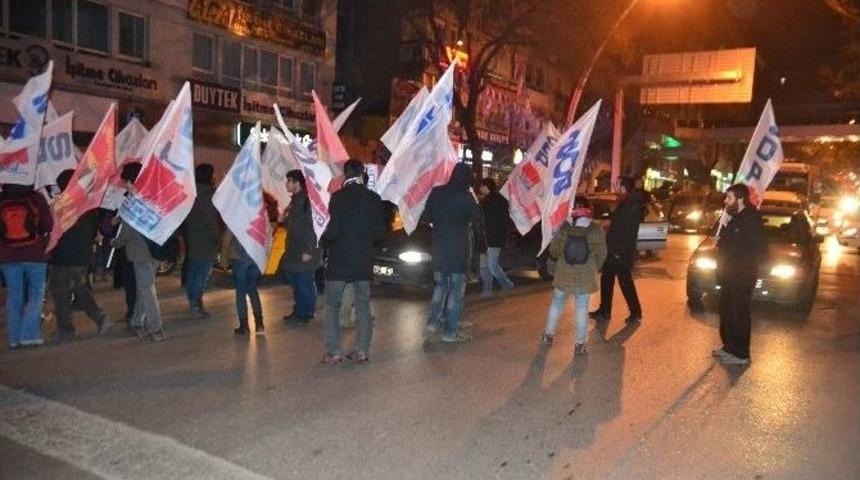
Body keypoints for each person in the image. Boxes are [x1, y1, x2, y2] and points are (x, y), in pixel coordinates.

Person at [319, 160, 385, 364]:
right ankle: (362, 351)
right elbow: (380, 233)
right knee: (363, 306)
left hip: (339, 261)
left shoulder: (338, 198)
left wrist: (323, 237)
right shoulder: (374, 198)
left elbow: (334, 231)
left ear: (344, 175)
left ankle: (334, 352)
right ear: (362, 173)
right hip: (362, 262)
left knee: (332, 306)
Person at [48, 170, 111, 341]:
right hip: (81, 257)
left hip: (60, 257)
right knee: (81, 291)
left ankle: (66, 330)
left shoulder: (57, 206)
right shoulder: (86, 206)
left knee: (60, 295)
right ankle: (100, 318)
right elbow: (92, 231)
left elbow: (50, 231)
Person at [422, 163, 481, 344]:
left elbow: (426, 218)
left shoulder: (437, 192)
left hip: (439, 249)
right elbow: (476, 220)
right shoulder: (466, 197)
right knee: (456, 293)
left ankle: (432, 323)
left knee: (440, 289)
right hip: (458, 252)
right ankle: (450, 332)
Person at [541, 197, 607, 356]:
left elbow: (554, 251)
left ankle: (548, 336)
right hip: (584, 277)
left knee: (556, 305)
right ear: (588, 208)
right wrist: (593, 268)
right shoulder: (595, 228)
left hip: (563, 274)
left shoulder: (564, 226)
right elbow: (602, 254)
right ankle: (580, 345)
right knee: (582, 310)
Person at [713, 184, 767, 365]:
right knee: (726, 312)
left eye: (729, 198)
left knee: (739, 314)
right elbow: (730, 242)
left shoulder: (751, 219)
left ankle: (741, 354)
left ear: (740, 199)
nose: (725, 201)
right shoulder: (734, 217)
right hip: (728, 275)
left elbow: (759, 249)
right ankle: (729, 347)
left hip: (741, 277)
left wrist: (735, 255)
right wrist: (720, 242)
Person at [111, 163, 165, 342]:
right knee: (145, 289)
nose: (124, 185)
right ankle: (135, 322)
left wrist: (114, 242)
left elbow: (128, 232)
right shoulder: (150, 196)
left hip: (141, 253)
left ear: (130, 181)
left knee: (147, 291)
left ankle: (156, 329)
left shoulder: (135, 201)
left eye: (125, 181)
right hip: (154, 250)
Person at [0, 183, 53, 348]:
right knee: (36, 294)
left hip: (7, 255)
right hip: (34, 253)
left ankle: (14, 338)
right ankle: (29, 335)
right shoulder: (36, 198)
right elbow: (47, 225)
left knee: (14, 295)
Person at [590, 176, 644, 324]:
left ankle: (635, 312)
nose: (615, 186)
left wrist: (619, 252)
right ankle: (604, 310)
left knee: (625, 282)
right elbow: (618, 226)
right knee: (606, 279)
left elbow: (628, 231)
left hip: (620, 252)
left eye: (618, 184)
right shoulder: (625, 202)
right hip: (614, 249)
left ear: (623, 187)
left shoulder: (631, 203)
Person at [282, 170, 320, 324]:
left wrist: (310, 250)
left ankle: (306, 313)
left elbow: (313, 227)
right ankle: (299, 310)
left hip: (304, 250)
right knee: (297, 282)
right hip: (294, 250)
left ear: (297, 183)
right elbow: (295, 224)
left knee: (304, 282)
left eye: (289, 180)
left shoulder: (306, 201)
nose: (286, 184)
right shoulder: (295, 200)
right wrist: (284, 219)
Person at [183, 164, 220, 318]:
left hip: (191, 236)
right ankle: (196, 303)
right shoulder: (208, 194)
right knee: (201, 273)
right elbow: (211, 219)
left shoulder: (190, 191)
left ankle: (192, 300)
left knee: (193, 270)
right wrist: (217, 237)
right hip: (205, 239)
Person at [221, 230, 264, 336]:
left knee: (241, 292)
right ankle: (259, 324)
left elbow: (227, 238)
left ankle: (244, 326)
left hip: (240, 257)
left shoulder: (237, 215)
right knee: (253, 289)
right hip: (255, 257)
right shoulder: (259, 213)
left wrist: (224, 258)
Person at [478, 178, 514, 296]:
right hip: (488, 238)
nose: (480, 188)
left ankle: (506, 284)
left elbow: (500, 220)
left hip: (492, 238)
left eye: (481, 186)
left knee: (491, 265)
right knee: (485, 266)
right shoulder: (489, 201)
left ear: (486, 186)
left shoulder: (493, 201)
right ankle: (487, 290)